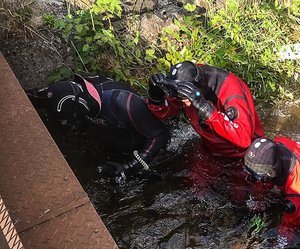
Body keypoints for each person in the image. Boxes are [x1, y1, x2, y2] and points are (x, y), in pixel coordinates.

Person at [28, 74, 169, 182]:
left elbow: (159, 136)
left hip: (134, 150)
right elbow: (39, 96)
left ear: (82, 109)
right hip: (104, 138)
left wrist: (129, 167)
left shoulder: (124, 103)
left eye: (71, 119)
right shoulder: (66, 91)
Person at [147, 61, 264, 158]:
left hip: (244, 156)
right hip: (210, 150)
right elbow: (164, 113)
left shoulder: (231, 93)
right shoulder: (186, 85)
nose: (183, 101)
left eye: (184, 97)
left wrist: (206, 109)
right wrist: (155, 97)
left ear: (199, 86)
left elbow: (244, 139)